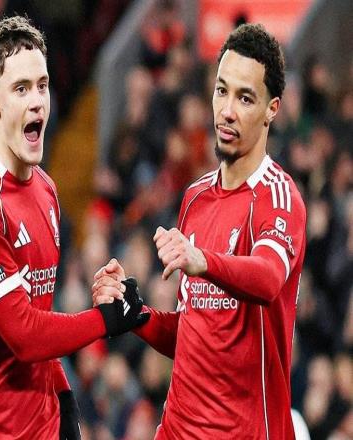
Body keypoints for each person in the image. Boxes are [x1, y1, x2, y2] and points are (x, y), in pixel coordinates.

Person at [0, 15, 148, 440]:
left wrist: (63, 395)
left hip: (36, 425)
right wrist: (104, 320)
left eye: (42, 86)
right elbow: (24, 334)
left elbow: (40, 314)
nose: (37, 101)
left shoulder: (46, 190)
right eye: (21, 88)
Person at [93, 24, 306, 439]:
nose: (227, 110)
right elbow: (196, 332)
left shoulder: (278, 197)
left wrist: (202, 260)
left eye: (245, 98)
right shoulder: (194, 197)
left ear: (272, 109)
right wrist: (137, 315)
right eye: (221, 91)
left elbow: (267, 278)